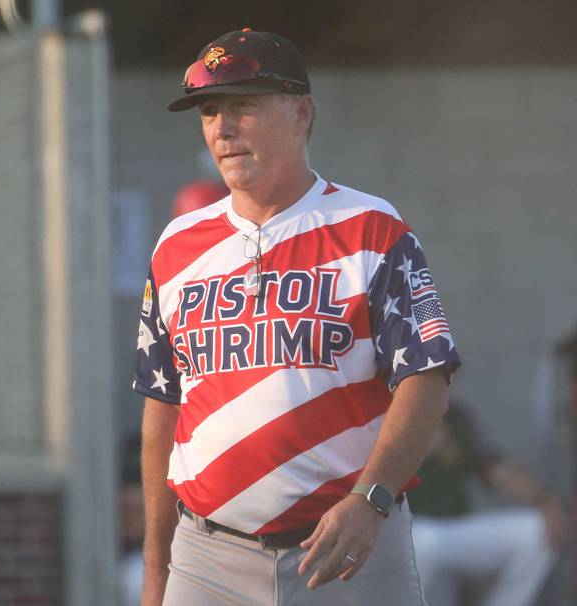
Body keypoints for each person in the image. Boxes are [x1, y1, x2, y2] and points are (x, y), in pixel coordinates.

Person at [132, 28, 461, 605]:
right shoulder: (175, 245)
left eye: (244, 106)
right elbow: (163, 407)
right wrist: (157, 573)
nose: (222, 128)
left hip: (347, 552)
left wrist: (370, 499)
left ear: (302, 113)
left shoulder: (372, 227)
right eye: (210, 110)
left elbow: (427, 378)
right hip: (206, 558)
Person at [410, 401, 567, 606]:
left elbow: (494, 469)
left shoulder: (456, 415)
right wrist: (414, 447)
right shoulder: (388, 412)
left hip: (456, 528)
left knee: (538, 531)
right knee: (424, 543)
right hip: (411, 529)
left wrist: (545, 500)